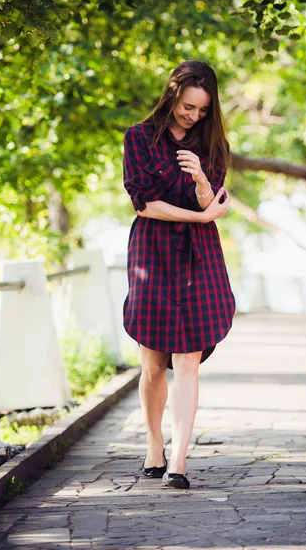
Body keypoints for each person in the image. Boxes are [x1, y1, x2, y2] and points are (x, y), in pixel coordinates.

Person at [122, 60, 236, 490]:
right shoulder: (138, 138)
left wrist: (202, 178)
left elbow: (215, 202)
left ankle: (180, 463)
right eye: (189, 106)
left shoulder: (213, 144)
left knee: (189, 361)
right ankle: (155, 446)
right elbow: (145, 204)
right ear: (172, 94)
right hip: (151, 252)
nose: (194, 116)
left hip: (199, 256)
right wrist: (200, 216)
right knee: (152, 362)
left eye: (203, 110)